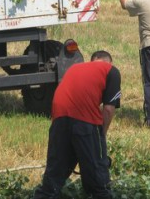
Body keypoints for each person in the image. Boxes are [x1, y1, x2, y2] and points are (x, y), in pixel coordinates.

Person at [33, 50, 121, 199]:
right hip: (85, 120)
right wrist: (101, 136)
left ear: (93, 60)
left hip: (58, 119)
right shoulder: (111, 70)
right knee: (97, 178)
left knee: (54, 175)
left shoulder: (74, 68)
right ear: (107, 61)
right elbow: (108, 109)